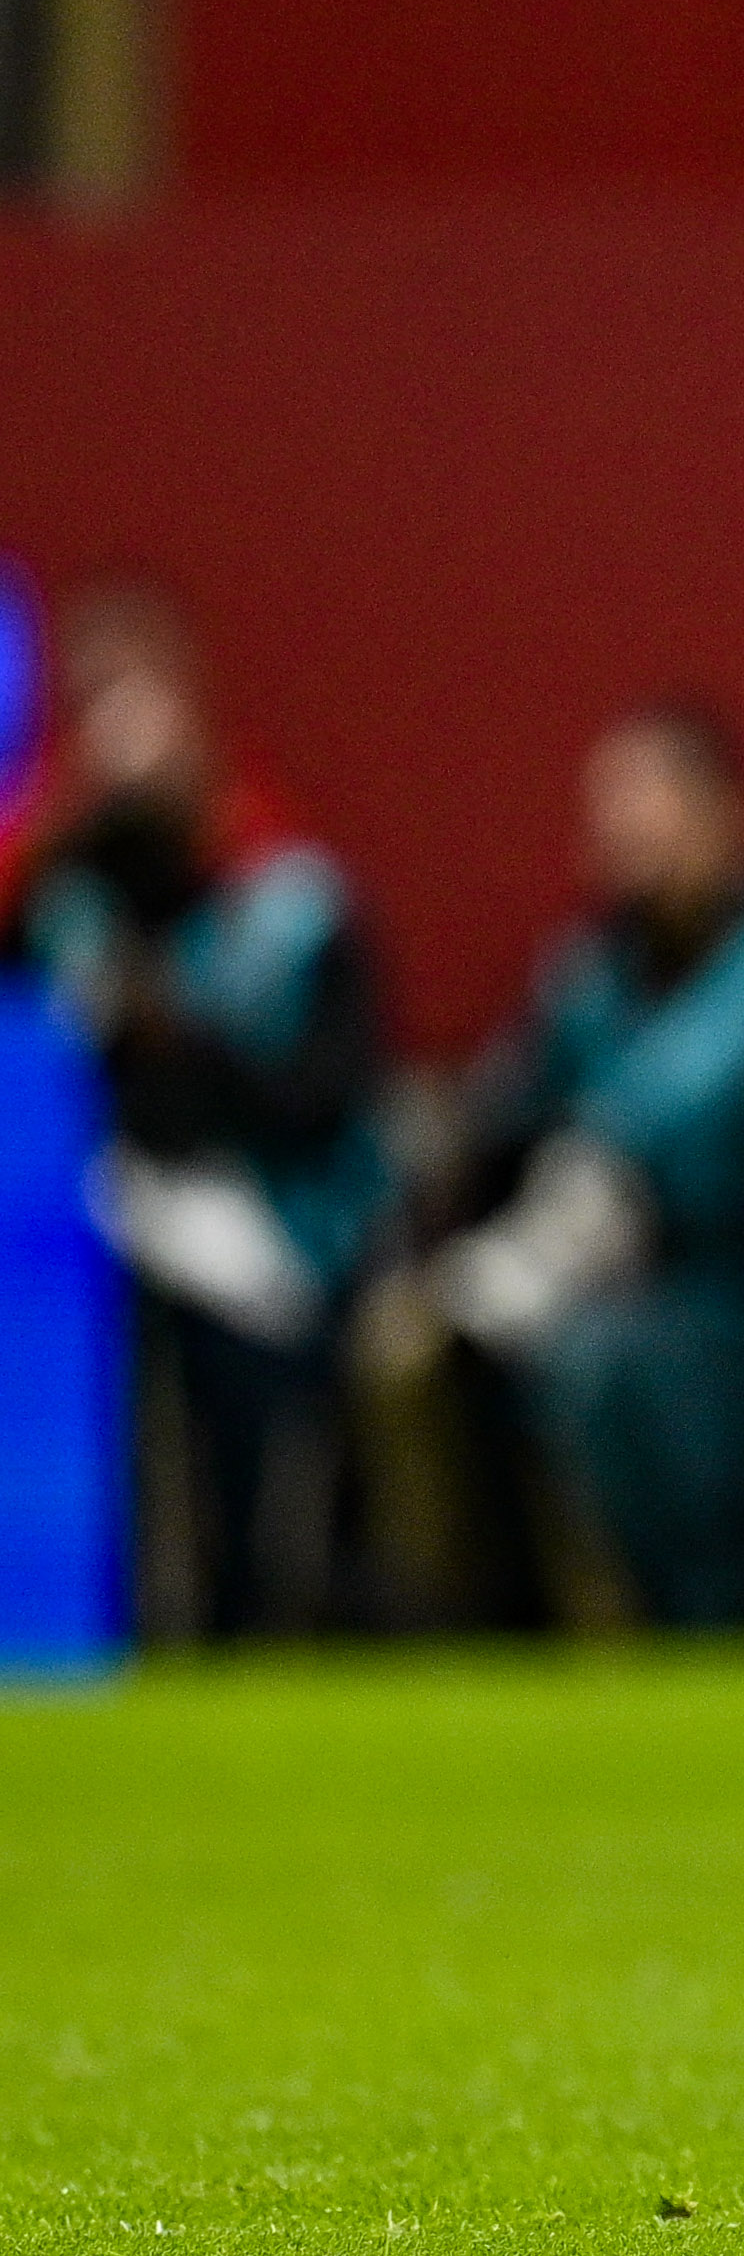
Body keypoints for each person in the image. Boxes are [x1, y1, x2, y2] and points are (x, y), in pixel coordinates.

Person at [433, 705, 744, 1626]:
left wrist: (651, 1208)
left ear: (725, 817)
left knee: (623, 1367)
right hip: (588, 1287)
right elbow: (505, 1121)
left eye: (654, 804)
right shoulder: (591, 978)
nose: (628, 832)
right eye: (612, 811)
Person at [20, 585, 389, 1635]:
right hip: (107, 1229)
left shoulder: (291, 899)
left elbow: (323, 1097)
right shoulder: (67, 906)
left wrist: (180, 1032)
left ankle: (256, 1608)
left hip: (289, 1229)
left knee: (245, 1373)